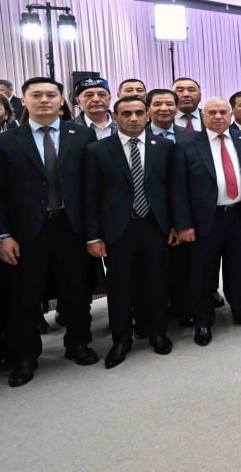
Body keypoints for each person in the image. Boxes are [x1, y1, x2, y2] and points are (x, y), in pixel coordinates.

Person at [0, 77, 100, 387]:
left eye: (51, 94)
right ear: (24, 101)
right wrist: (1, 236)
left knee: (76, 291)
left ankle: (78, 343)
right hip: (25, 232)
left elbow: (91, 187)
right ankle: (25, 357)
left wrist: (93, 232)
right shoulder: (4, 141)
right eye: (36, 95)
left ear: (62, 100)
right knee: (24, 296)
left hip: (71, 227)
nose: (44, 100)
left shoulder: (82, 134)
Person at [83, 97, 177, 368]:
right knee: (119, 286)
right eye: (126, 113)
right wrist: (93, 236)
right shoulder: (97, 150)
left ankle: (158, 332)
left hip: (155, 226)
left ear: (147, 115)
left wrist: (175, 224)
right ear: (116, 117)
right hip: (117, 229)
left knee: (157, 282)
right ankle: (121, 339)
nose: (133, 118)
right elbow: (90, 196)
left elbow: (172, 190)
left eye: (138, 113)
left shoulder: (165, 146)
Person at [172, 97, 241, 347]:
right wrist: (184, 224)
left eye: (223, 112)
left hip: (239, 215)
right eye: (212, 112)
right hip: (205, 219)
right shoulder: (187, 144)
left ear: (231, 115)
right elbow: (178, 188)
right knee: (202, 273)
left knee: (240, 268)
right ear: (203, 116)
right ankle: (203, 321)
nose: (218, 117)